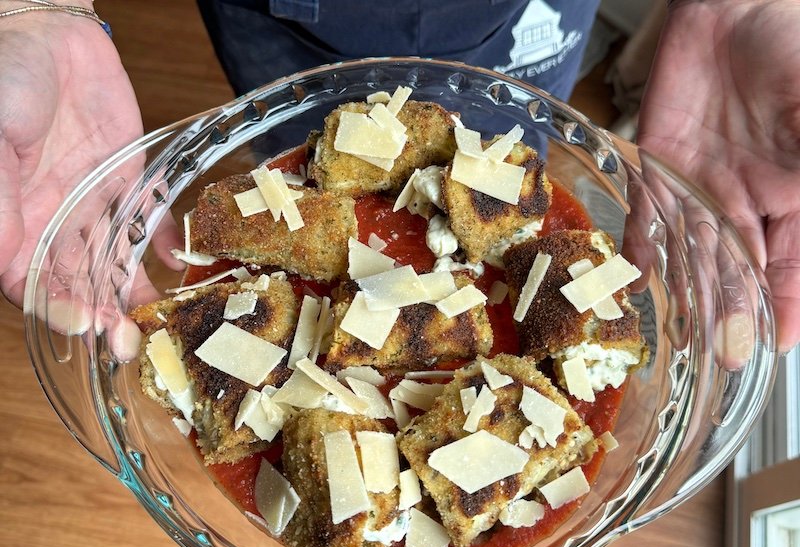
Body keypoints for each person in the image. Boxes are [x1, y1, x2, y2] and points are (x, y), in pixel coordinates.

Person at [0, 0, 798, 353]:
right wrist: (30, 8)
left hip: (519, 9)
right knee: (301, 150)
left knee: (505, 162)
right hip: (287, 19)